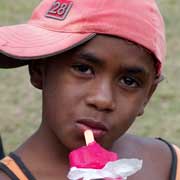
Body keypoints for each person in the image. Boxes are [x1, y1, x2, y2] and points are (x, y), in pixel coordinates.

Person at [0, 0, 179, 179]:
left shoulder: (167, 165)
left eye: (129, 81)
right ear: (39, 70)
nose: (103, 100)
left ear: (148, 95)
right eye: (83, 69)